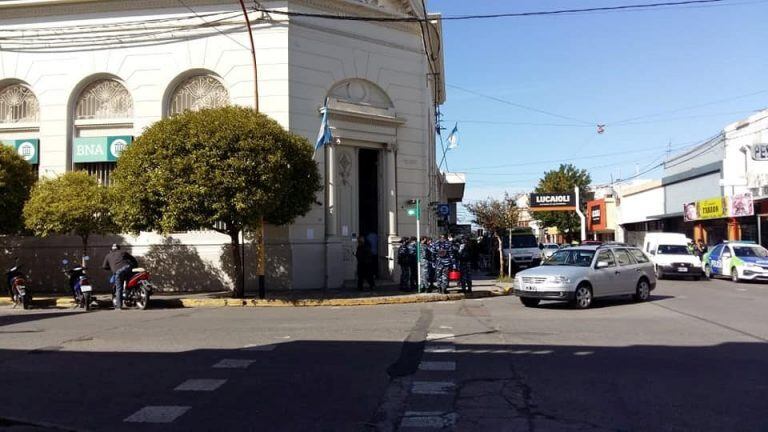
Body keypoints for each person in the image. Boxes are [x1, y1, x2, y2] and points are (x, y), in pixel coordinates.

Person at [102, 244, 138, 310]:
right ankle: (131, 291)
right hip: (127, 268)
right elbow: (133, 259)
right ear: (118, 248)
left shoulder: (108, 255)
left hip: (118, 272)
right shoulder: (123, 252)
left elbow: (104, 266)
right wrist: (135, 265)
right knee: (132, 279)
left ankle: (119, 306)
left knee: (119, 289)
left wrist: (111, 268)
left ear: (111, 250)